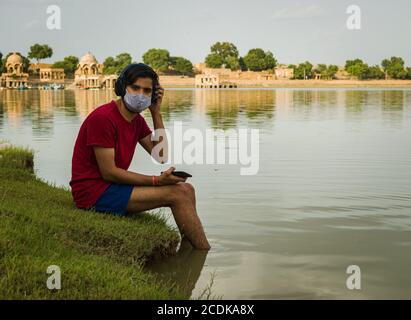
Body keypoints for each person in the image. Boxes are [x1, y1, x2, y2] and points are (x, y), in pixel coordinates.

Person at [69, 63, 210, 250]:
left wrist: (156, 113)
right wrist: (156, 181)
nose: (141, 95)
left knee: (187, 189)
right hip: (93, 193)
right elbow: (109, 173)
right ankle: (204, 251)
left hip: (111, 187)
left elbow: (160, 155)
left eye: (147, 91)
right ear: (122, 87)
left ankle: (190, 248)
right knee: (179, 193)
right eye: (135, 88)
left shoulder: (136, 120)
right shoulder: (102, 118)